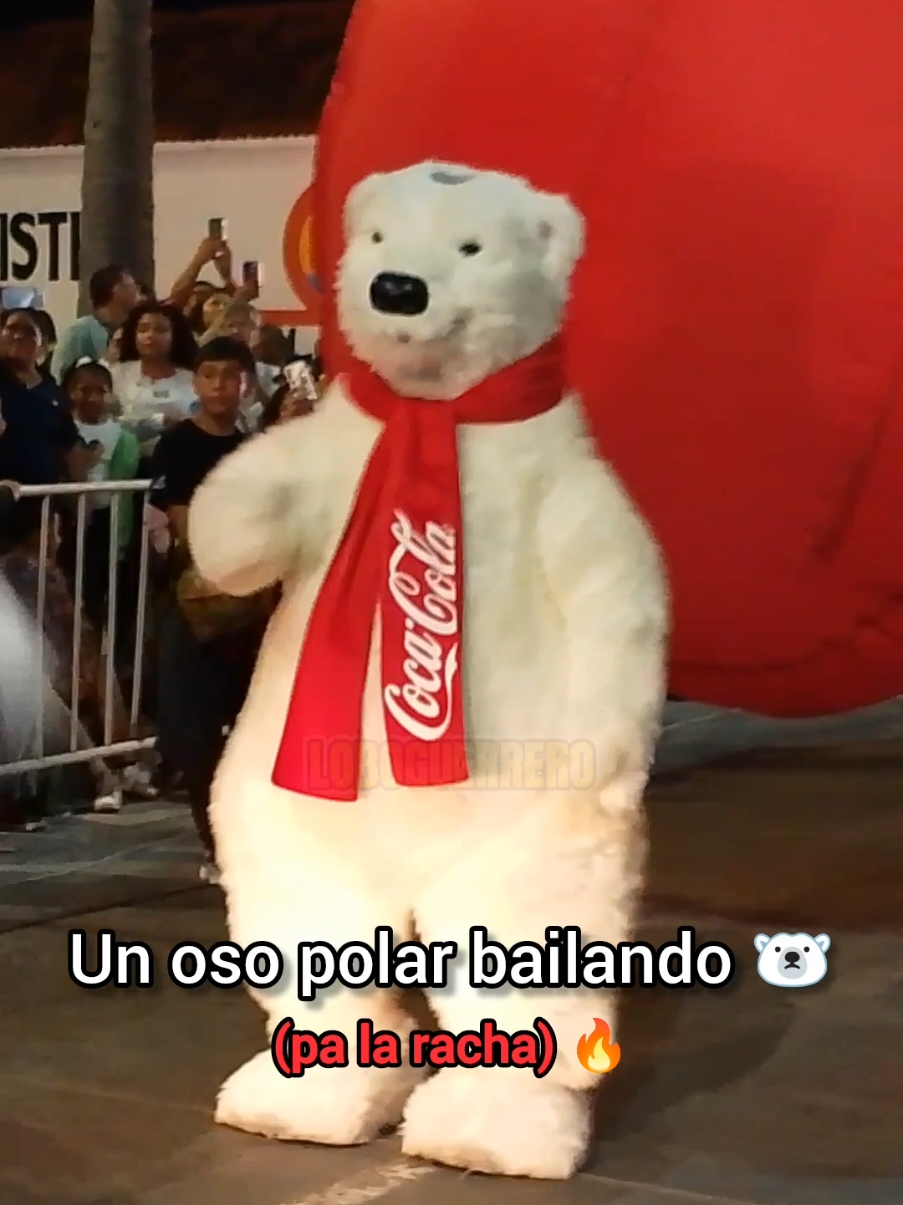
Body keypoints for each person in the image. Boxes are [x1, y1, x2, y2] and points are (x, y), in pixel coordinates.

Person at [149, 337, 272, 883]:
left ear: (249, 383)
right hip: (197, 603)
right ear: (195, 382)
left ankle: (252, 841)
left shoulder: (258, 448)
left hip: (257, 608)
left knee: (252, 729)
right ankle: (215, 842)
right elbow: (181, 522)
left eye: (232, 376)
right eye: (210, 375)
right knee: (193, 734)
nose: (221, 386)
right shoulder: (177, 444)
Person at [0, 308, 85, 488]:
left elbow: (69, 445)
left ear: (43, 343)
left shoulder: (52, 391)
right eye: (11, 329)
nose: (17, 336)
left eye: (28, 332)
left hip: (44, 502)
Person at [110, 301, 198, 454]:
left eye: (161, 330)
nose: (150, 336)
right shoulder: (117, 374)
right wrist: (158, 422)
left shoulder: (192, 378)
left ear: (175, 336)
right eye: (143, 330)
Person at [50, 266, 139, 381]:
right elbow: (59, 376)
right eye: (132, 286)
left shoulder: (132, 331)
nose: (137, 291)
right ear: (116, 290)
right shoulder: (78, 332)